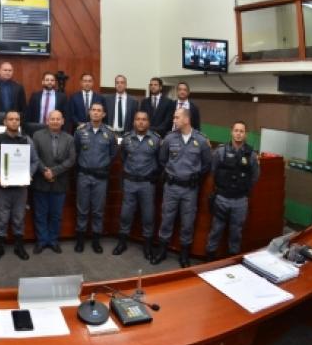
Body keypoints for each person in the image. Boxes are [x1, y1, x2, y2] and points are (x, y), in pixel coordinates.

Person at [156, 108, 212, 268]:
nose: (174, 120)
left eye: (177, 117)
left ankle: (184, 255)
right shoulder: (169, 138)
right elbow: (162, 159)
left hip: (190, 189)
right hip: (171, 187)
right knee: (166, 219)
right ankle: (162, 251)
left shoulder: (201, 140)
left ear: (186, 119)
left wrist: (194, 176)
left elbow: (207, 163)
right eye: (174, 117)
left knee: (187, 223)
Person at [0, 110, 39, 261]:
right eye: (11, 119)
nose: (14, 122)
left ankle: (19, 246)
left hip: (21, 188)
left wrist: (29, 174)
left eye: (17, 119)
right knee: (1, 218)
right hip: (3, 188)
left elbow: (35, 161)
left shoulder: (27, 140)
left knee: (19, 218)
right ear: (5, 122)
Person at [205, 121, 260, 260]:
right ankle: (209, 258)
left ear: (245, 134)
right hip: (222, 198)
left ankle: (232, 260)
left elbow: (255, 176)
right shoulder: (221, 151)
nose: (238, 134)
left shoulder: (251, 155)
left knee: (236, 233)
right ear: (231, 132)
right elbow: (213, 171)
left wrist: (243, 190)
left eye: (241, 131)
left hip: (240, 201)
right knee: (216, 230)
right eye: (236, 130)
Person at [113, 111, 161, 260]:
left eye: (144, 119)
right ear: (134, 122)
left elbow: (161, 160)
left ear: (148, 122)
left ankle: (147, 246)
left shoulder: (156, 139)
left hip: (147, 184)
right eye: (138, 119)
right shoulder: (127, 139)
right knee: (125, 214)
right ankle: (122, 243)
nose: (141, 122)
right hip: (130, 183)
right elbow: (123, 157)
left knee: (148, 216)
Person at [74, 102, 117, 253]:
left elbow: (113, 154)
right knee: (82, 209)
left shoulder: (109, 133)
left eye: (99, 110)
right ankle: (80, 239)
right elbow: (76, 151)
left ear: (104, 114)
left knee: (98, 210)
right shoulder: (80, 131)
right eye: (93, 110)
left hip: (100, 177)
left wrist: (101, 166)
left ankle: (96, 241)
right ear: (89, 112)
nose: (96, 113)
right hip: (84, 175)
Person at [32, 109, 76, 254]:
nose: (55, 121)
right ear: (47, 120)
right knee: (40, 214)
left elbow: (71, 160)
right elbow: (34, 156)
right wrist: (45, 171)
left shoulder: (69, 138)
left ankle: (53, 240)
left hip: (60, 182)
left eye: (58, 119)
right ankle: (41, 241)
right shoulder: (37, 136)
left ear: (63, 121)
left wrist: (54, 172)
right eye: (52, 119)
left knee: (56, 215)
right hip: (41, 180)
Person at [0, 62, 27, 131]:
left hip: (14, 123)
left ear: (12, 72)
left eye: (10, 70)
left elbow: (23, 108)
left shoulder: (18, 87)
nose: (7, 72)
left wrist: (20, 123)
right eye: (5, 70)